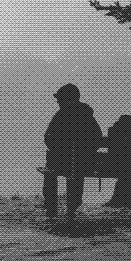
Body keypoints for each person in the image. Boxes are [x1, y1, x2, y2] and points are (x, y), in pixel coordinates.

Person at [43, 83, 103, 218]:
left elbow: (48, 137)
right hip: (84, 163)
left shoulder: (60, 115)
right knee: (76, 171)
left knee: (51, 172)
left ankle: (51, 208)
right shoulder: (87, 116)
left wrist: (59, 149)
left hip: (63, 162)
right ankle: (72, 207)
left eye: (59, 99)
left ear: (67, 99)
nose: (58, 102)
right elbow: (97, 138)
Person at [104, 114, 131, 207]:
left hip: (114, 164)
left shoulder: (113, 131)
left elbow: (112, 150)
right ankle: (128, 200)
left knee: (125, 173)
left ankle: (119, 200)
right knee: (129, 171)